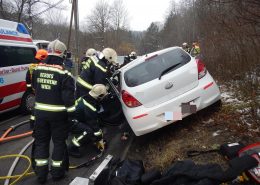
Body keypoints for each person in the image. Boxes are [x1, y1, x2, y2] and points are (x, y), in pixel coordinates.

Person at [31, 39, 76, 183]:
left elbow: (34, 88)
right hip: (58, 117)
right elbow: (68, 99)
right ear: (62, 55)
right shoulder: (65, 74)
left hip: (40, 115)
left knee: (41, 143)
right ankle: (57, 173)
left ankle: (41, 175)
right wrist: (72, 115)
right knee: (58, 143)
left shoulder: (37, 69)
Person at [69, 48, 118, 157]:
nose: (110, 64)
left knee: (85, 111)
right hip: (86, 89)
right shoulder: (101, 67)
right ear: (108, 58)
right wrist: (99, 136)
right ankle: (75, 143)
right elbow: (100, 85)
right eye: (110, 62)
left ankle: (82, 127)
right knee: (89, 121)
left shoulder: (95, 59)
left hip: (82, 87)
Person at [68, 84, 108, 157]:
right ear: (100, 96)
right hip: (70, 122)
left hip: (72, 118)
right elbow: (94, 125)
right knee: (88, 131)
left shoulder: (85, 97)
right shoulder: (90, 107)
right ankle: (72, 147)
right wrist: (100, 138)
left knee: (91, 129)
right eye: (104, 96)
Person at [25, 49, 48, 128]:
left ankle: (32, 123)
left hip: (34, 89)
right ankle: (43, 122)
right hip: (41, 89)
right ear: (43, 57)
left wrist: (30, 90)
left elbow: (27, 79)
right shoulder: (43, 66)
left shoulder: (31, 66)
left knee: (35, 106)